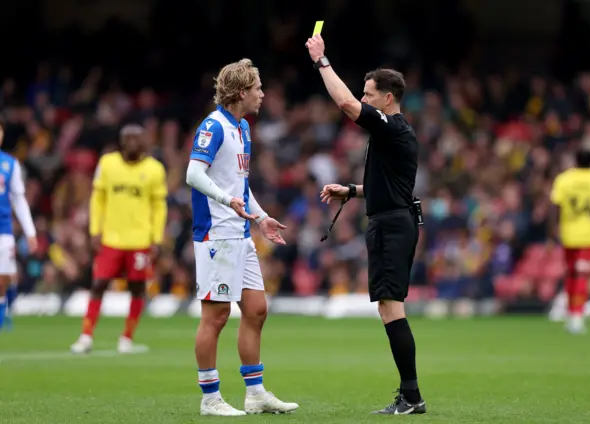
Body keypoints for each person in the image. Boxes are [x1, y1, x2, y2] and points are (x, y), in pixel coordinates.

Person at [306, 35, 426, 415]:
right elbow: (392, 186)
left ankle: (411, 396)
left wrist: (322, 61)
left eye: (369, 94)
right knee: (388, 308)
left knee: (392, 308)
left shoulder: (393, 128)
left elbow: (345, 104)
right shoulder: (393, 134)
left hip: (392, 225)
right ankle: (409, 394)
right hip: (390, 219)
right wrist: (353, 191)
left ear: (387, 98)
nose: (364, 99)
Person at [185, 58, 298, 417]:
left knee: (256, 309)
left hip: (241, 233)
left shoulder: (243, 128)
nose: (262, 95)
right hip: (216, 235)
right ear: (240, 93)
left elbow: (241, 187)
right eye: (258, 89)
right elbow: (192, 173)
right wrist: (225, 200)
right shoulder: (213, 126)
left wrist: (262, 218)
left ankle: (255, 393)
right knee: (216, 316)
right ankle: (210, 398)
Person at [70, 124, 168, 353]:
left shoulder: (154, 169)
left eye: (138, 138)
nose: (133, 142)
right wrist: (95, 230)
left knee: (137, 288)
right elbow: (97, 199)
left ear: (144, 142)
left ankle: (127, 339)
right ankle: (86, 336)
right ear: (121, 141)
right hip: (111, 238)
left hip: (140, 240)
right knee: (98, 284)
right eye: (128, 138)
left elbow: (159, 207)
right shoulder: (107, 164)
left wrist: (156, 238)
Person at [549, 149, 590, 334]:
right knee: (582, 276)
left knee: (572, 274)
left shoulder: (564, 179)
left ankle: (572, 313)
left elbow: (555, 207)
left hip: (569, 235)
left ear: (575, 159)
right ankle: (576, 316)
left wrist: (552, 230)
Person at [0, 122, 38, 331]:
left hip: (3, 228)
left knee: (4, 276)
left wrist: (30, 232)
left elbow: (19, 199)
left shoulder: (9, 164)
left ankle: (2, 313)